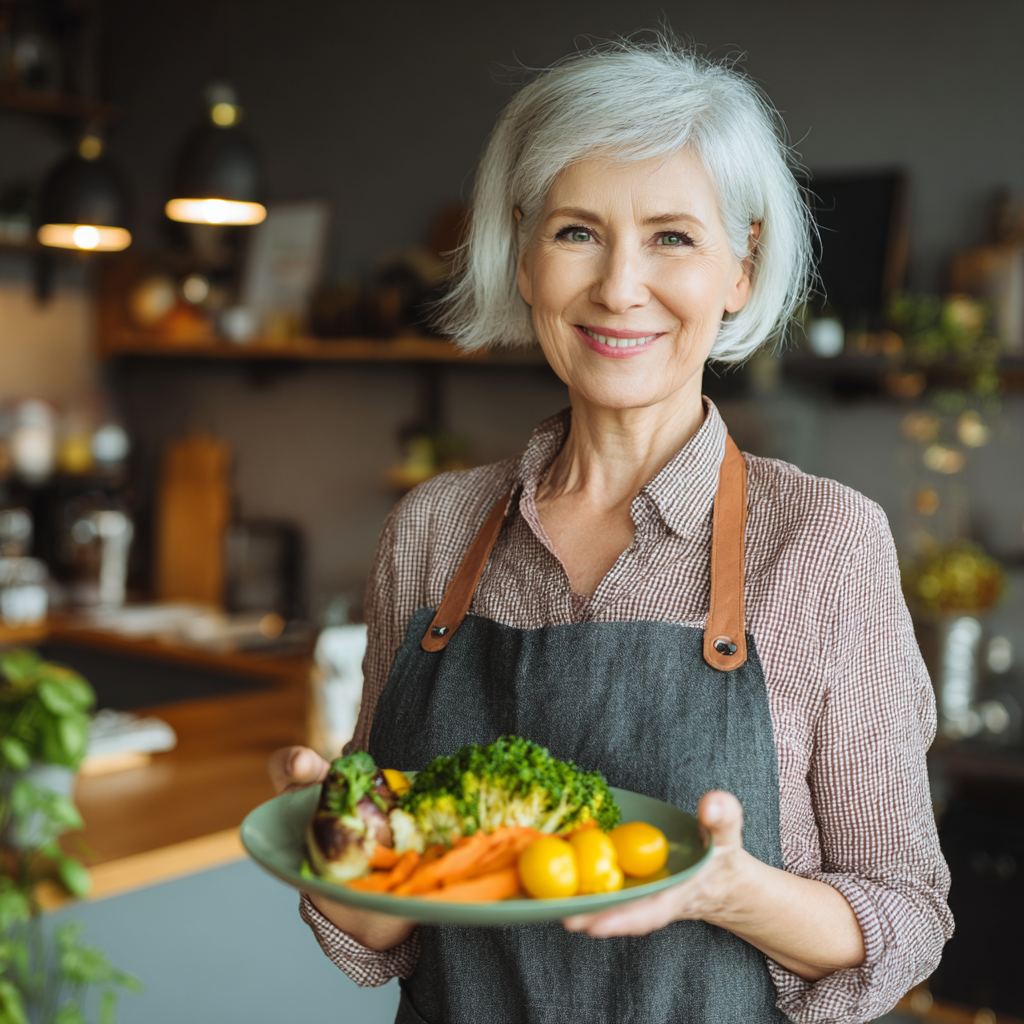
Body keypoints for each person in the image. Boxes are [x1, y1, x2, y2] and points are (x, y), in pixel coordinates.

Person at [269, 36, 952, 1024]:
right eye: (577, 232)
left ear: (739, 266)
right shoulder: (430, 532)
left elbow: (904, 911)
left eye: (673, 236)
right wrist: (324, 827)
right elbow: (383, 920)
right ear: (524, 250)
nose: (619, 287)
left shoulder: (825, 542)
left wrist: (734, 892)